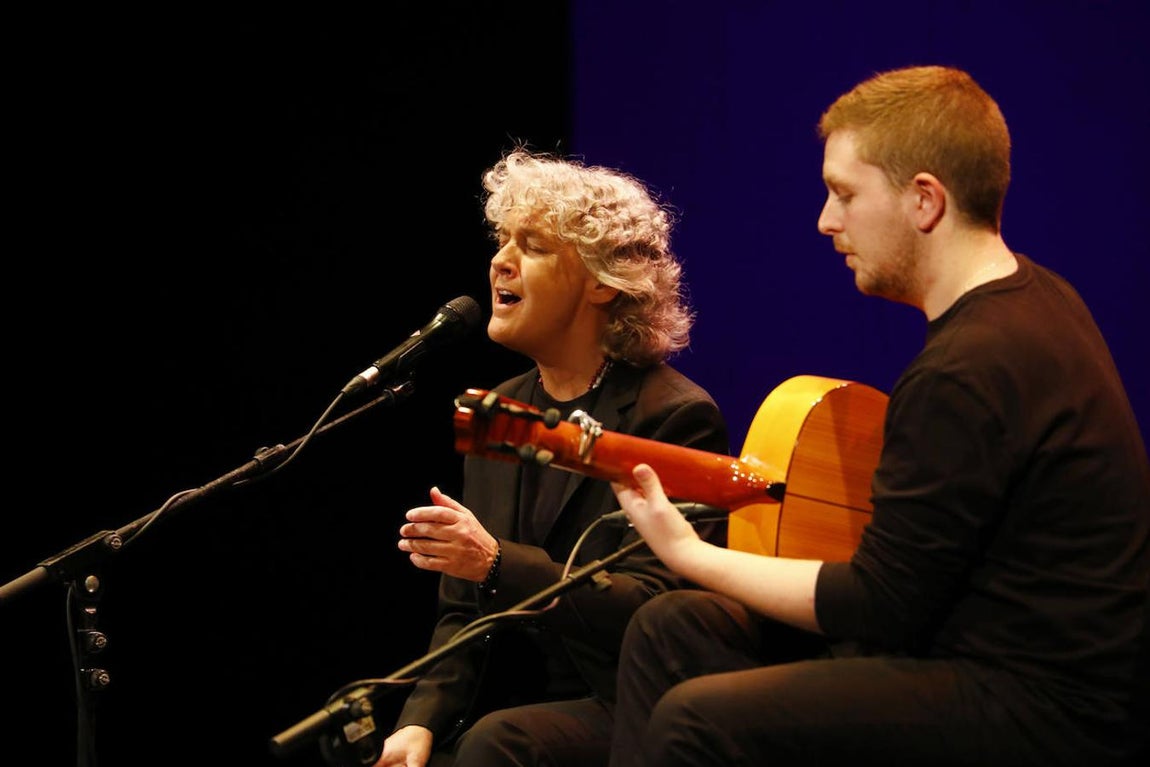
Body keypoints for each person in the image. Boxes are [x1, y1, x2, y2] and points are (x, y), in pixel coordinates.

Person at [605, 65, 1150, 766]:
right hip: (970, 650)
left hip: (1040, 704)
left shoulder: (970, 365)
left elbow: (877, 602)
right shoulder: (1037, 295)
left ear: (924, 200)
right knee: (673, 629)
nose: (826, 220)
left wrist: (688, 552)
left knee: (696, 719)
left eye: (844, 193)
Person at [375, 149, 730, 767]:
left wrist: (496, 562)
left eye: (532, 245)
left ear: (601, 281)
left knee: (496, 743)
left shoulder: (672, 416)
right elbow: (463, 608)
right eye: (502, 239)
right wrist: (420, 720)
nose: (499, 260)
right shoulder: (496, 411)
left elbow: (656, 610)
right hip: (514, 699)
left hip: (629, 703)